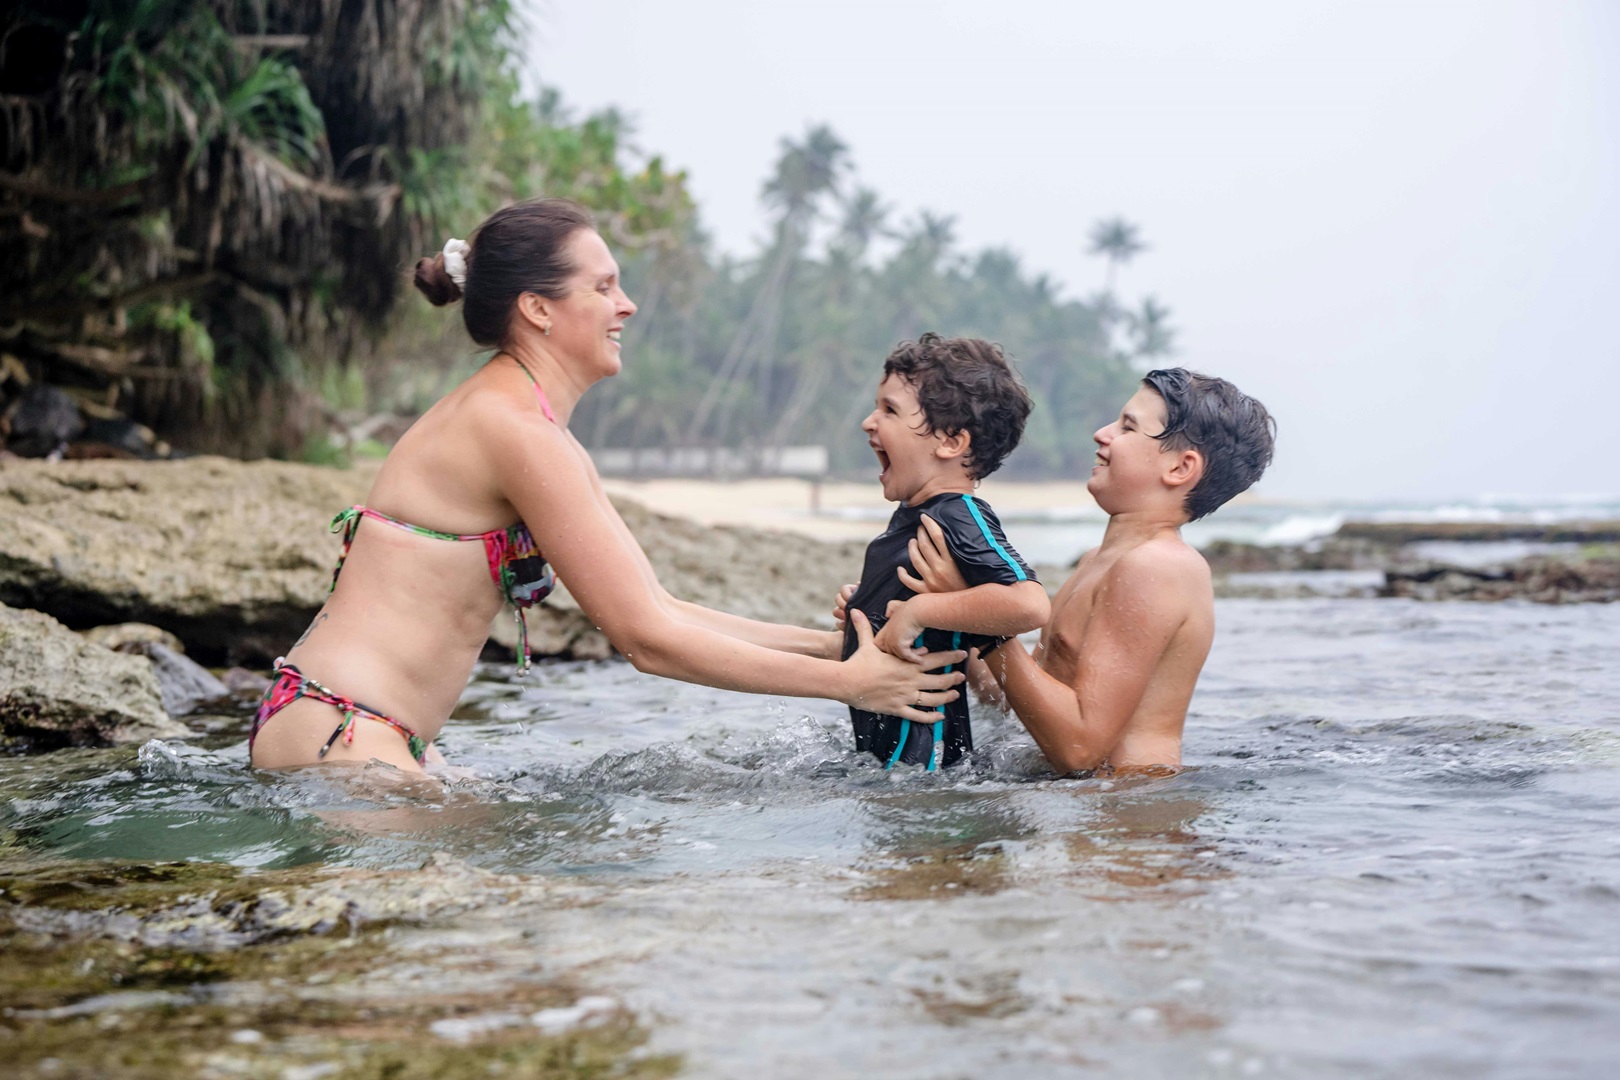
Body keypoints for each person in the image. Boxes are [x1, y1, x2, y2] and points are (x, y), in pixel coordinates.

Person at [250, 198, 965, 771]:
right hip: (340, 736)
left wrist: (834, 646)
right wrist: (853, 684)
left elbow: (657, 605)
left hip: (364, 734)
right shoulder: (513, 430)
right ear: (537, 308)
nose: (627, 306)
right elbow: (645, 641)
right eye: (603, 287)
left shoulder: (532, 426)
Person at [903, 369, 1275, 774]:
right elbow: (1016, 698)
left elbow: (1079, 748)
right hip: (1089, 803)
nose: (1102, 433)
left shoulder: (1157, 567)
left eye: (1128, 427)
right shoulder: (1098, 560)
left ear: (1180, 468)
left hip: (1128, 818)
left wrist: (987, 625)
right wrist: (957, 610)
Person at [831, 334, 1050, 770]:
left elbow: (1031, 605)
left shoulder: (959, 514)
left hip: (925, 769)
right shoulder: (918, 513)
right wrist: (869, 603)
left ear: (951, 441)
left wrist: (918, 612)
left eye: (889, 409)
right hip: (901, 764)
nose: (869, 422)